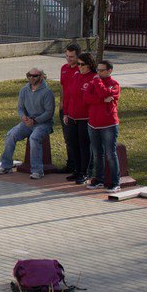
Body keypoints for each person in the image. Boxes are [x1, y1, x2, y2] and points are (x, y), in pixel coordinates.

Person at [0, 67, 56, 179]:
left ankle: (37, 170)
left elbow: (49, 112)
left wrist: (35, 120)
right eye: (29, 75)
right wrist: (23, 117)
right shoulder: (24, 90)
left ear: (41, 76)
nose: (32, 78)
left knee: (34, 138)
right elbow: (20, 108)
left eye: (35, 76)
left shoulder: (47, 92)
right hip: (27, 122)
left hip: (43, 123)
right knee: (10, 135)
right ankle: (6, 165)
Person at [84, 59, 121, 192]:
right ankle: (98, 179)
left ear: (109, 70)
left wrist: (99, 83)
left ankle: (115, 182)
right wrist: (102, 100)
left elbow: (106, 93)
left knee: (110, 154)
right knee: (97, 153)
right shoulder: (92, 83)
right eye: (97, 70)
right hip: (93, 124)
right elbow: (87, 98)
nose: (98, 73)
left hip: (108, 125)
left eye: (101, 70)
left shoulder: (114, 84)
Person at [69, 53, 98, 185]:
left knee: (84, 145)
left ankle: (86, 172)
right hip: (72, 116)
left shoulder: (94, 78)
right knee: (73, 144)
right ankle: (77, 170)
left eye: (82, 64)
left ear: (89, 65)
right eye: (78, 64)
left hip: (85, 117)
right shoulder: (76, 76)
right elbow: (70, 95)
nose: (79, 67)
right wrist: (67, 113)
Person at [59, 43, 82, 178]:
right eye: (67, 56)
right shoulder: (64, 68)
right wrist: (61, 102)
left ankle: (80, 167)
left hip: (76, 110)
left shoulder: (81, 70)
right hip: (65, 108)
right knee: (68, 138)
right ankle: (71, 164)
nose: (68, 59)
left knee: (78, 139)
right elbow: (62, 86)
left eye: (72, 57)